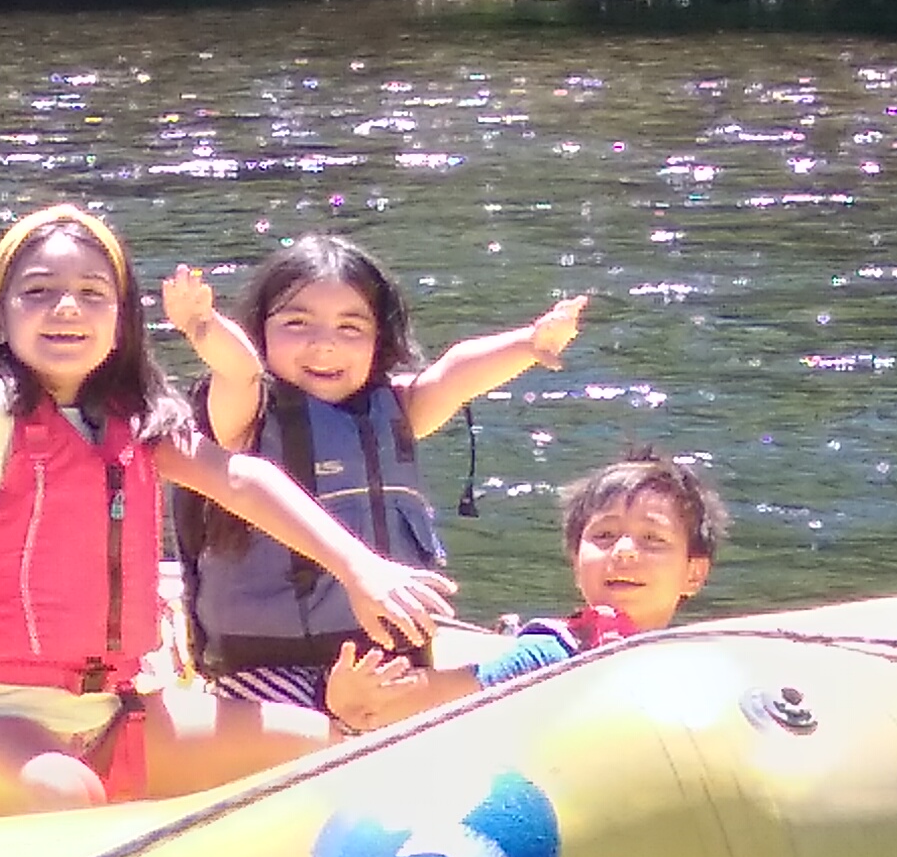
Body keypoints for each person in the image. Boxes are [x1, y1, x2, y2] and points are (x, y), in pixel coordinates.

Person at [0, 204, 462, 812]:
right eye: (39, 292)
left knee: (340, 751)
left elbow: (241, 478)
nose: (67, 308)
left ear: (122, 318)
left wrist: (361, 569)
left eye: (92, 293)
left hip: (119, 714)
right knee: (67, 793)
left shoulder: (138, 425)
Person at [156, 232, 589, 710]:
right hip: (270, 667)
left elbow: (453, 373)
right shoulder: (244, 414)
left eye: (351, 328)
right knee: (339, 732)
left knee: (444, 706)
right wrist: (203, 326)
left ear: (378, 341)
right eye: (297, 324)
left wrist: (529, 344)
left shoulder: (393, 411)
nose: (325, 346)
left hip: (390, 658)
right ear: (261, 332)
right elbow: (238, 369)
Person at [329, 446, 723, 724]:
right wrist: (360, 702)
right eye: (603, 536)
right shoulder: (556, 652)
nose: (623, 553)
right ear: (575, 560)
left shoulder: (693, 660)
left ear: (694, 573)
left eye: (653, 540)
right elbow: (454, 690)